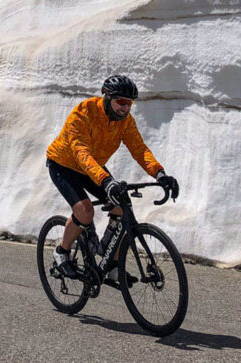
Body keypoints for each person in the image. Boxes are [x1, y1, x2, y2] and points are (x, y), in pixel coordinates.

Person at [45, 75, 179, 285]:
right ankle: (62, 252)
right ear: (107, 97)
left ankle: (113, 265)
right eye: (121, 102)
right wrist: (106, 181)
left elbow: (139, 149)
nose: (125, 108)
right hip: (64, 165)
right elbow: (81, 152)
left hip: (93, 167)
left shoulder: (125, 121)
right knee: (85, 210)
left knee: (122, 205)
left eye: (129, 104)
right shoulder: (83, 113)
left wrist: (160, 174)